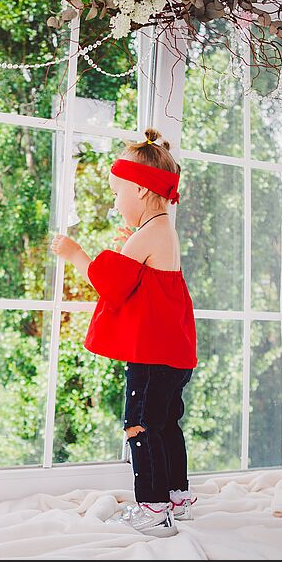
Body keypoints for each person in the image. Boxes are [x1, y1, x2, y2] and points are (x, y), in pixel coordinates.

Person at [50, 127, 198, 538]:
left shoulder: (149, 234)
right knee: (166, 424)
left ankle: (151, 508)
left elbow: (111, 283)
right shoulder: (160, 230)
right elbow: (142, 282)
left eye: (118, 194)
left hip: (151, 357)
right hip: (173, 354)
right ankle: (176, 496)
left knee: (140, 426)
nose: (115, 204)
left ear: (143, 191)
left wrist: (75, 253)